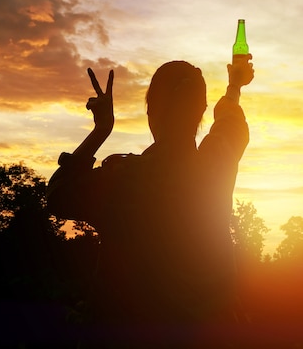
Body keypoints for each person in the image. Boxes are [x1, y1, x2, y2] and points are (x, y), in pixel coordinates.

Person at [47, 55, 254, 347]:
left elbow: (58, 195)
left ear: (150, 111)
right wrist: (234, 85)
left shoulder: (123, 181)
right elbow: (230, 121)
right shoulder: (216, 164)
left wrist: (101, 130)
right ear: (201, 111)